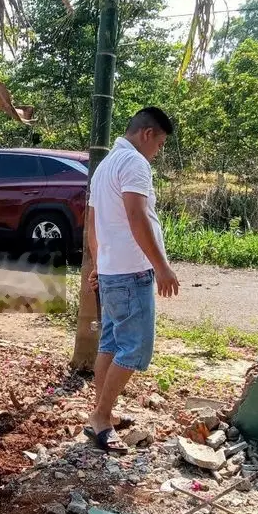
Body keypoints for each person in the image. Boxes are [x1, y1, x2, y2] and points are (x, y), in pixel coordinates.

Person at [86, 106, 179, 449]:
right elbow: (137, 216)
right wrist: (162, 266)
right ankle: (101, 416)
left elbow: (93, 223)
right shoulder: (134, 164)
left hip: (113, 271)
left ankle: (101, 414)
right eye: (161, 143)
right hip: (132, 272)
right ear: (147, 134)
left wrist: (100, 264)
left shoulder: (104, 167)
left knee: (110, 343)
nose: (159, 151)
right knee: (135, 348)